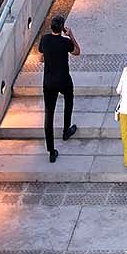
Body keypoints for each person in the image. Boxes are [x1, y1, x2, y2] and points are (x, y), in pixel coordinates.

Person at [38, 14, 79, 163]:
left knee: (49, 115)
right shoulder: (65, 42)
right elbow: (77, 51)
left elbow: (41, 58)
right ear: (62, 28)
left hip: (49, 82)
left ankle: (51, 151)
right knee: (69, 101)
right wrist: (71, 35)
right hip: (63, 80)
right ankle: (66, 130)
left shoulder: (45, 39)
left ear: (51, 27)